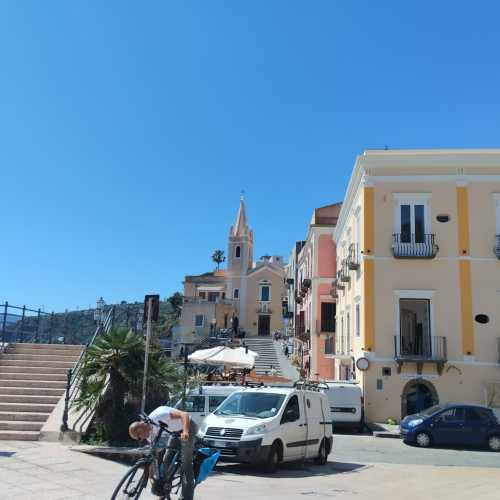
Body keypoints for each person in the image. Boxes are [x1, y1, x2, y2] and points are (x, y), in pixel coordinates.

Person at [129, 405, 198, 500]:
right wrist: (151, 476)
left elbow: (184, 414)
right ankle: (163, 492)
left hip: (188, 426)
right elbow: (153, 455)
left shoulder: (160, 416)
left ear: (140, 429)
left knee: (186, 464)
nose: (140, 440)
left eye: (139, 438)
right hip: (174, 432)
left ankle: (186, 498)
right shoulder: (149, 435)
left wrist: (185, 431)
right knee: (166, 462)